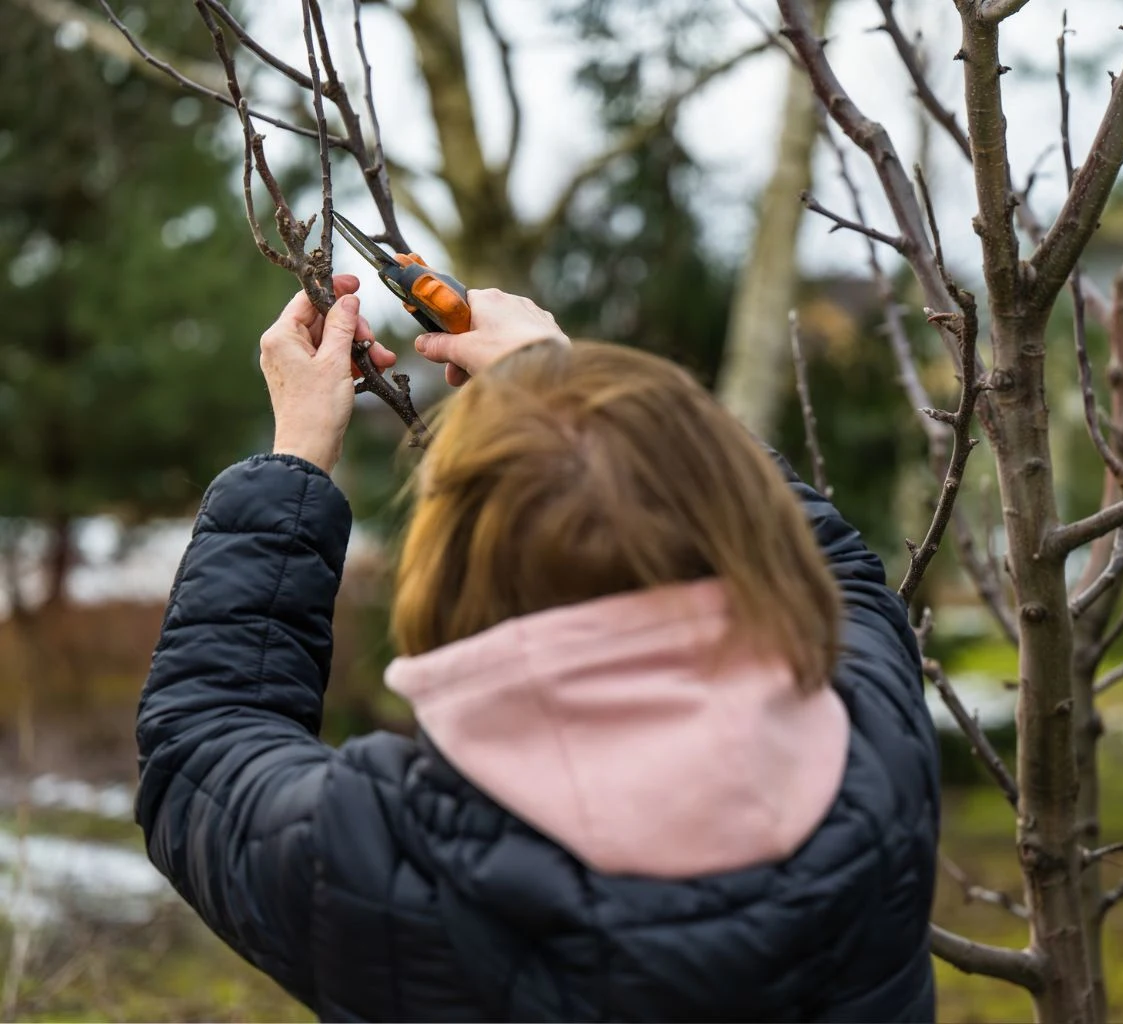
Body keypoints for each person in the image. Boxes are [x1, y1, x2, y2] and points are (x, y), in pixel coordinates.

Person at [137, 275, 941, 1022]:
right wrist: (584, 393)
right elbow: (836, 571)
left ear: (451, 567)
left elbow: (203, 739)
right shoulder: (873, 746)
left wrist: (295, 456)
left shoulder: (391, 861)